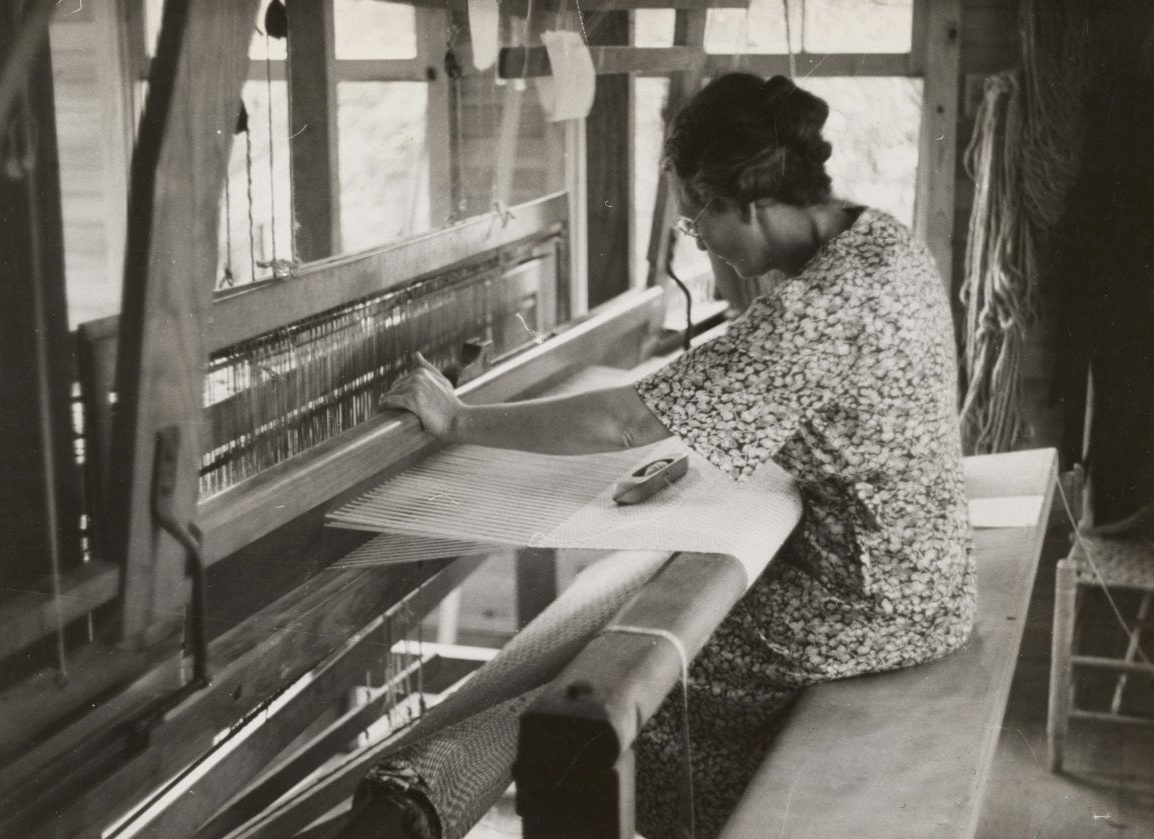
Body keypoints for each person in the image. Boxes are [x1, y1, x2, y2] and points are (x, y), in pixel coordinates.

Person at [381, 72, 974, 839]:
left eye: (698, 224)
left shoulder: (812, 314)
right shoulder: (877, 237)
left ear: (744, 205)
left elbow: (624, 423)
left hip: (877, 602)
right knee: (623, 637)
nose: (703, 244)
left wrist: (459, 421)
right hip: (924, 569)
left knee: (623, 694)